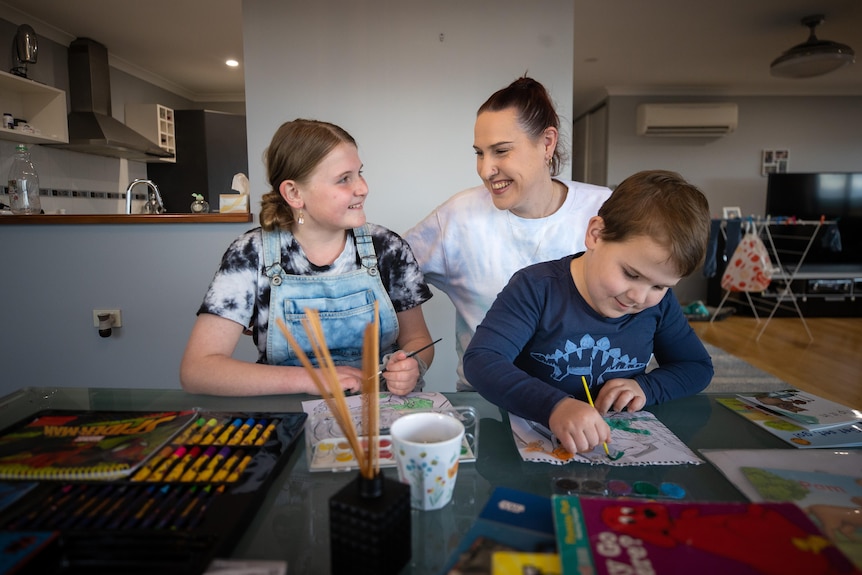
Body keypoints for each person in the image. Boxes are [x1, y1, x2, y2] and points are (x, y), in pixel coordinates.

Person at [463, 170, 714, 454]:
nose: (638, 297)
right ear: (595, 234)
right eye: (630, 274)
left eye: (659, 285)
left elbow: (697, 367)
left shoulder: (659, 304)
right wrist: (555, 406)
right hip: (528, 446)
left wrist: (647, 388)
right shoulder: (535, 288)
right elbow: (481, 360)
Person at [180, 119, 434, 397]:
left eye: (359, 173)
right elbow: (198, 370)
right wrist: (313, 380)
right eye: (344, 178)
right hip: (290, 414)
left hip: (381, 409)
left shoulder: (387, 247)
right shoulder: (252, 253)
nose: (363, 188)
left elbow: (418, 339)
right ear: (294, 193)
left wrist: (412, 365)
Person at [405, 76, 612, 390]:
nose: (486, 170)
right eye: (479, 153)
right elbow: (385, 271)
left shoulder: (602, 209)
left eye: (501, 151)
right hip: (490, 406)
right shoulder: (459, 217)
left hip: (589, 407)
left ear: (547, 143)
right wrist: (412, 345)